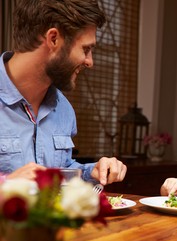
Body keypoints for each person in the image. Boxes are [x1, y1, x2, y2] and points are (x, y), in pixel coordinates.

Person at [0, 0, 126, 185]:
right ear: (53, 39)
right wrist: (6, 184)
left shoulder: (63, 109)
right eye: (86, 49)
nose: (90, 62)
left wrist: (93, 171)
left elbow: (60, 171)